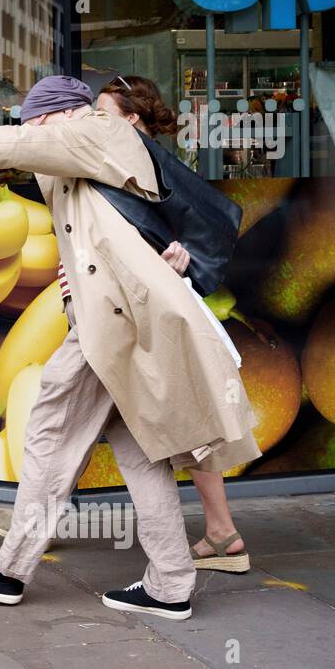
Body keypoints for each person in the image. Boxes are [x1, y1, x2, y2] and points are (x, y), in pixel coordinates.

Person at [0, 75, 260, 620]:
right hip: (114, 325)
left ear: (58, 117)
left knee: (47, 429)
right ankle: (171, 582)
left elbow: (15, 146)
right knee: (141, 458)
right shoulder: (75, 163)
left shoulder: (94, 131)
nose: (34, 137)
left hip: (112, 329)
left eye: (37, 124)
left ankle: (8, 570)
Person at [97, 74, 251, 572]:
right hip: (128, 315)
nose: (92, 125)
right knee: (81, 416)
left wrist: (177, 263)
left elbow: (176, 245)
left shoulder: (148, 173)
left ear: (131, 121)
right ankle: (222, 533)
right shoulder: (121, 166)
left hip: (139, 319)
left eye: (103, 115)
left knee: (72, 417)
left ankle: (30, 524)